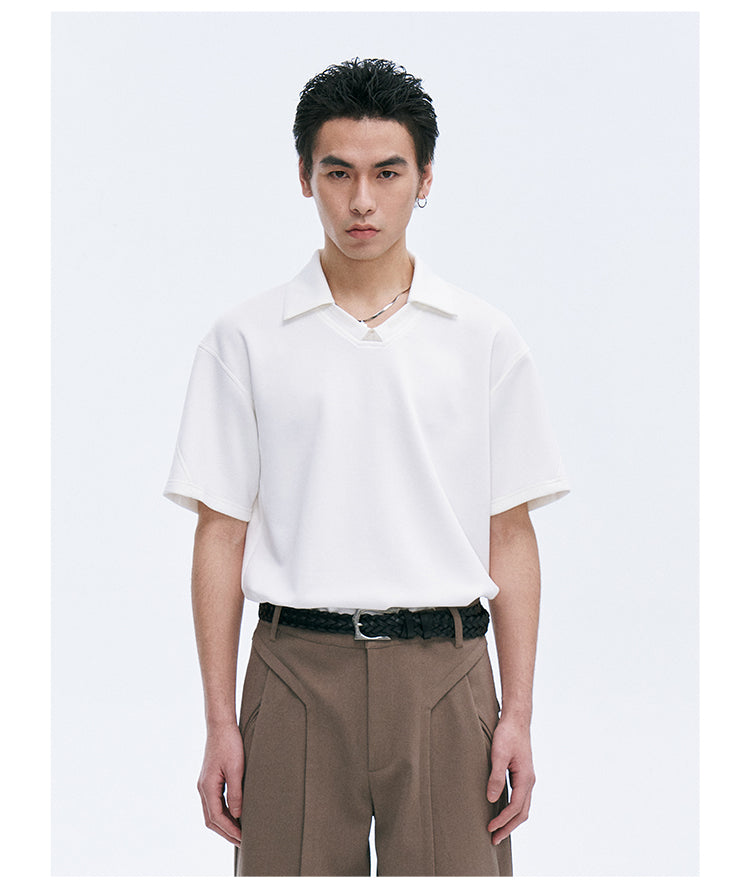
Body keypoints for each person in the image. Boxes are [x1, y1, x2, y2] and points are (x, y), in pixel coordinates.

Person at [164, 57, 569, 877]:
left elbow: (510, 532)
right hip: (294, 672)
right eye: (337, 172)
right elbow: (219, 533)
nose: (361, 201)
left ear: (425, 179)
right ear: (304, 177)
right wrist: (219, 721)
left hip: (448, 673)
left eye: (387, 173)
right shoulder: (246, 339)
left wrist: (519, 713)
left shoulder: (483, 338)